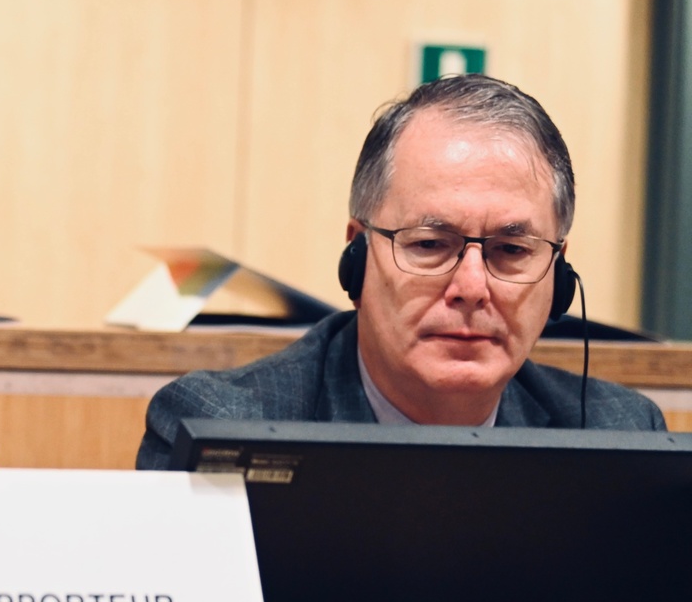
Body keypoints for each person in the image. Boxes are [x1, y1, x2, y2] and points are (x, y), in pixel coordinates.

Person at [136, 74, 663, 470]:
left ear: (558, 276)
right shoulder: (220, 427)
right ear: (358, 256)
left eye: (510, 250)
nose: (472, 288)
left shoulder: (619, 435)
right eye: (430, 244)